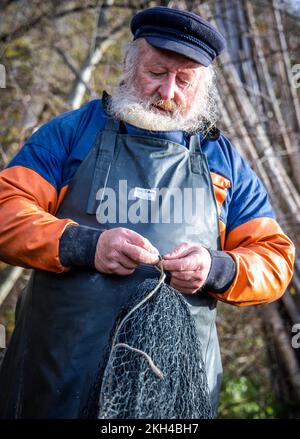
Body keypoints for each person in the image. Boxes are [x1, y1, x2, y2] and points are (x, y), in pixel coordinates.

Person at [0, 6, 295, 419]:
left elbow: (275, 259)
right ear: (129, 65)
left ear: (201, 89)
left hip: (174, 390)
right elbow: (6, 211)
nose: (167, 91)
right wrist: (84, 244)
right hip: (56, 379)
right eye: (156, 72)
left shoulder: (223, 161)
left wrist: (216, 269)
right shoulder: (70, 133)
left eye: (184, 81)